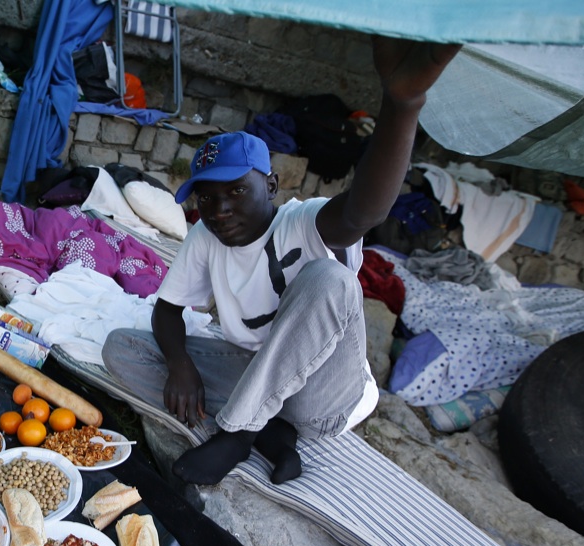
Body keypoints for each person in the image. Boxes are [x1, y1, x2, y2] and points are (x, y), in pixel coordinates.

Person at [102, 38, 460, 485]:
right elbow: (168, 309)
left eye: (236, 191)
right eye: (207, 198)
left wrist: (403, 105)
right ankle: (273, 437)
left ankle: (238, 434)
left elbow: (363, 212)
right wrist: (180, 364)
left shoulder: (305, 223)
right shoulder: (205, 234)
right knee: (122, 349)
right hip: (256, 377)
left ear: (270, 186)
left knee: (330, 277)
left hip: (322, 399)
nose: (220, 210)